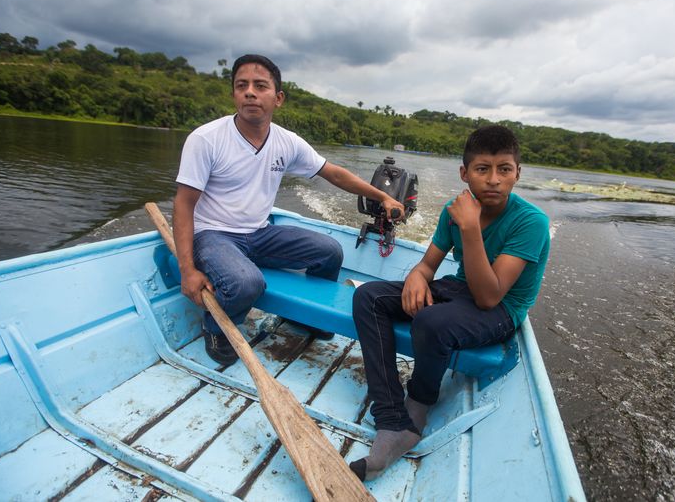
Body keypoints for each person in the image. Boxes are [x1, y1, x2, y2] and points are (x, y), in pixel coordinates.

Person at [349, 125, 551, 481]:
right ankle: (390, 411)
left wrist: (471, 228)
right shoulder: (453, 210)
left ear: (517, 173)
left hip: (501, 309)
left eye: (504, 169)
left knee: (432, 323)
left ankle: (417, 408)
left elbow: (489, 296)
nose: (493, 180)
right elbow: (428, 264)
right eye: (482, 169)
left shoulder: (530, 222)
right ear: (465, 173)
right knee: (369, 296)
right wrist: (416, 276)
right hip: (459, 289)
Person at [174, 54, 404, 365]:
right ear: (233, 95)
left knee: (330, 251)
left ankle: (307, 318)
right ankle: (215, 326)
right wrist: (188, 271)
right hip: (213, 235)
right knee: (246, 283)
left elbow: (333, 172)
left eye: (260, 86)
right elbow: (183, 205)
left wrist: (384, 197)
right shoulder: (206, 139)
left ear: (278, 98)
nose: (250, 92)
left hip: (258, 233)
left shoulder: (286, 142)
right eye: (242, 86)